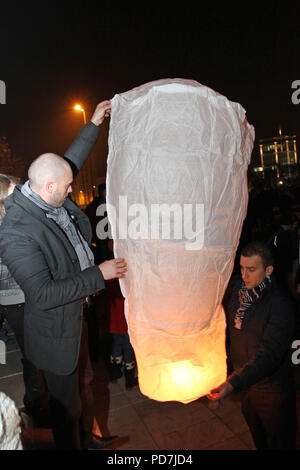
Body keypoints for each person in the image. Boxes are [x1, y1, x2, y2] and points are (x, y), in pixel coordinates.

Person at [0, 101, 127, 450]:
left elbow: (70, 161)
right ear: (50, 187)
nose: (73, 191)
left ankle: (88, 440)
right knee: (67, 408)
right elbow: (41, 294)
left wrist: (95, 123)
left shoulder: (47, 189)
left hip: (77, 316)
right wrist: (98, 274)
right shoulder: (15, 232)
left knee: (85, 385)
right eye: (68, 187)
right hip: (56, 330)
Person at [207, 241, 297, 450]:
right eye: (242, 268)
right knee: (260, 441)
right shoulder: (239, 290)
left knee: (280, 443)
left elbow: (269, 355)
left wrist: (232, 384)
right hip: (246, 386)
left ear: (269, 270)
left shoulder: (280, 304)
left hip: (271, 392)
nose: (244, 275)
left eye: (251, 269)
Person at [0, 174, 49, 426]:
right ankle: (37, 405)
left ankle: (40, 402)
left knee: (37, 351)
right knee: (34, 352)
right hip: (16, 298)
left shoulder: (16, 222)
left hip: (24, 296)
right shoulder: (7, 227)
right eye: (13, 193)